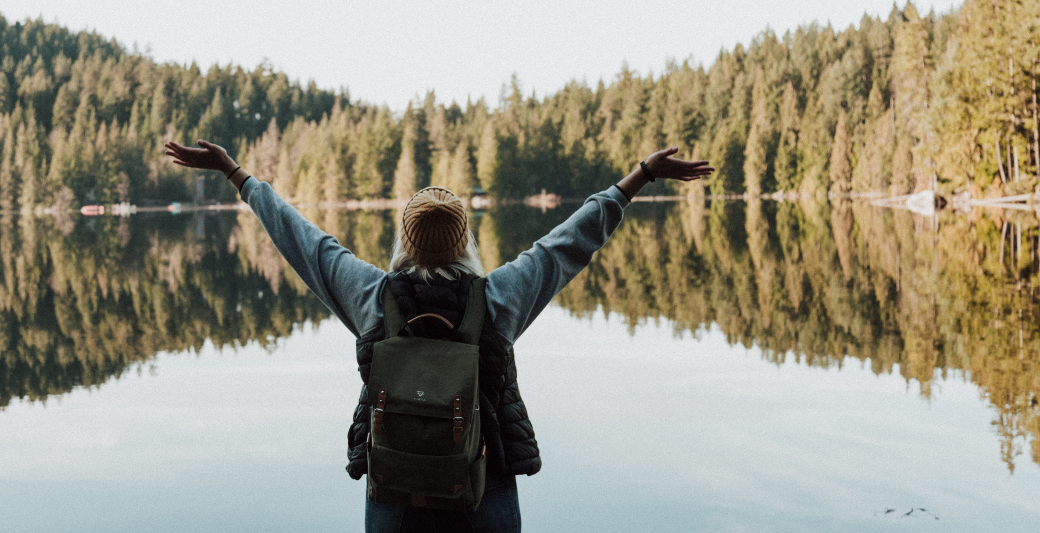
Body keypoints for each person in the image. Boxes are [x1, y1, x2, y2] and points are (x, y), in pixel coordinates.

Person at [165, 139, 713, 533]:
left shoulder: (372, 298)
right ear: (465, 242)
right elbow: (570, 241)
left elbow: (302, 240)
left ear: (404, 240)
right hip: (484, 486)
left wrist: (235, 174)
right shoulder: (499, 299)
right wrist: (641, 174)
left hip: (397, 490)